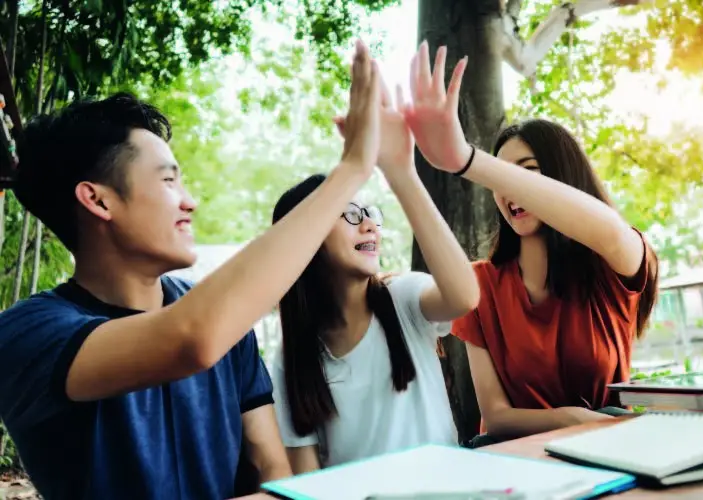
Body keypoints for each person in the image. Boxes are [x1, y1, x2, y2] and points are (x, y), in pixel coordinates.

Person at [0, 40, 383, 499]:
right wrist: (351, 170)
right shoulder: (26, 336)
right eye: (168, 179)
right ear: (98, 200)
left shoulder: (224, 326)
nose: (190, 201)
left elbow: (273, 473)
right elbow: (190, 341)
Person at [401, 42, 659, 444]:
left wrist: (468, 159)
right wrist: (572, 420)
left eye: (526, 174)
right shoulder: (480, 284)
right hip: (523, 465)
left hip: (615, 450)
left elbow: (609, 229)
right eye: (498, 179)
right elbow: (496, 416)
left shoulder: (613, 264)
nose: (506, 190)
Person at [269, 77, 480, 473]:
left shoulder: (404, 298)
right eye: (349, 214)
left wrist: (402, 171)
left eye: (370, 214)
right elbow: (306, 476)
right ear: (307, 236)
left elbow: (465, 296)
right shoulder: (291, 358)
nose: (369, 225)